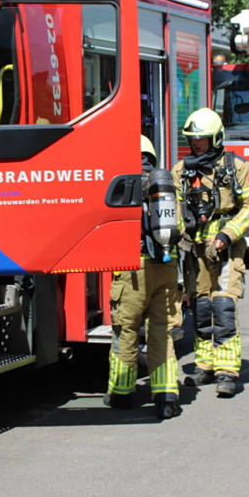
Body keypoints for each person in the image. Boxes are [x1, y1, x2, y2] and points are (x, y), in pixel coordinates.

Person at [172, 108, 249, 397]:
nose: (196, 143)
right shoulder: (181, 171)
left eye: (202, 138)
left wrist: (226, 234)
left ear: (216, 138)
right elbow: (174, 209)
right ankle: (204, 365)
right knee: (200, 308)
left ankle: (227, 371)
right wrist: (180, 231)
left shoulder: (238, 168)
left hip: (226, 250)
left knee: (223, 308)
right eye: (192, 138)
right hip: (195, 250)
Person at [104, 135, 183, 419]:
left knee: (126, 331)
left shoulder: (126, 184)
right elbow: (180, 228)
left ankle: (122, 394)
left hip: (133, 270)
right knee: (161, 331)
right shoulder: (168, 187)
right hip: (167, 266)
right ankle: (167, 397)